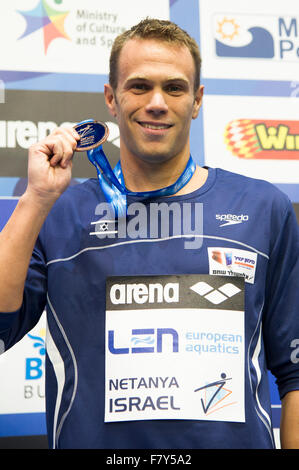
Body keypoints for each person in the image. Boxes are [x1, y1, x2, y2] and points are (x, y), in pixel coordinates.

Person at [0, 18, 299, 450]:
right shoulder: (59, 213)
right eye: (139, 86)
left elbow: (293, 374)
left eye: (175, 88)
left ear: (197, 101)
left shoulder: (261, 208)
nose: (157, 102)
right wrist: (35, 199)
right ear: (111, 98)